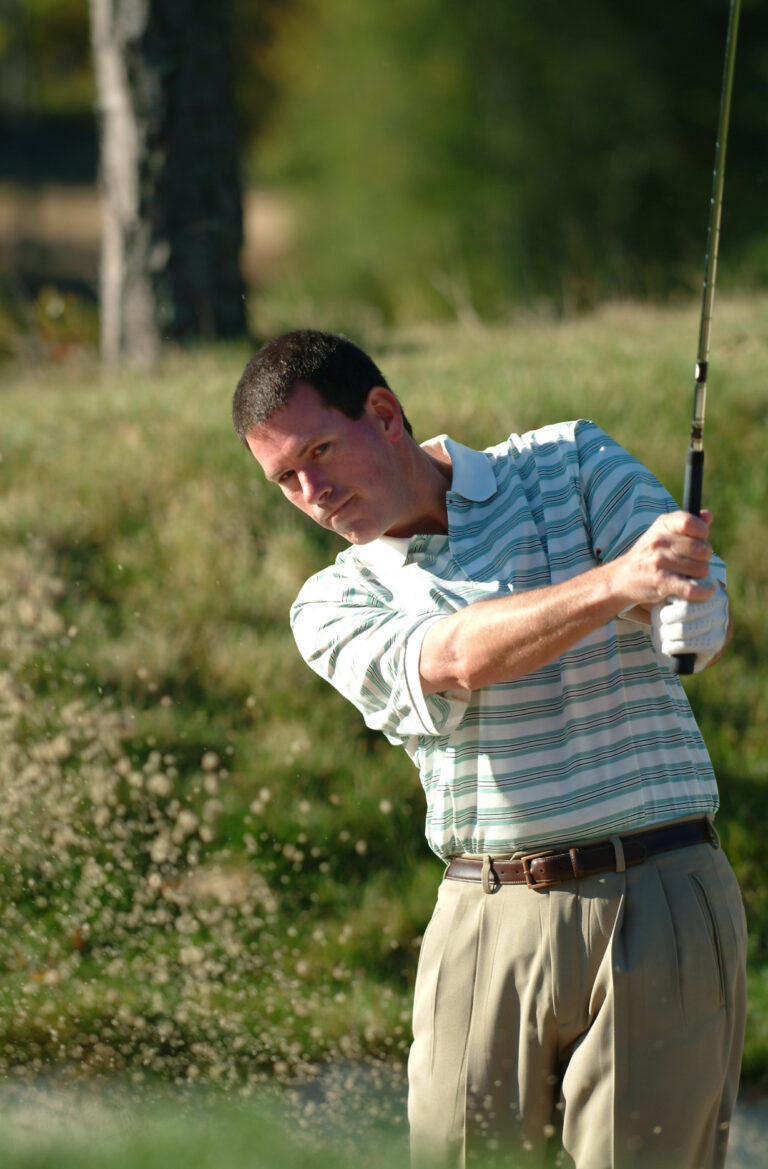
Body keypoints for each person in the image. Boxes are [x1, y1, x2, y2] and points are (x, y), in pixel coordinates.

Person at [232, 329, 747, 1169]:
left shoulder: (571, 461)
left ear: (385, 413)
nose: (312, 491)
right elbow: (459, 656)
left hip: (660, 890)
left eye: (319, 451)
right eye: (285, 478)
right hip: (485, 914)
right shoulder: (332, 602)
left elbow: (693, 612)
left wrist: (690, 598)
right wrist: (618, 581)